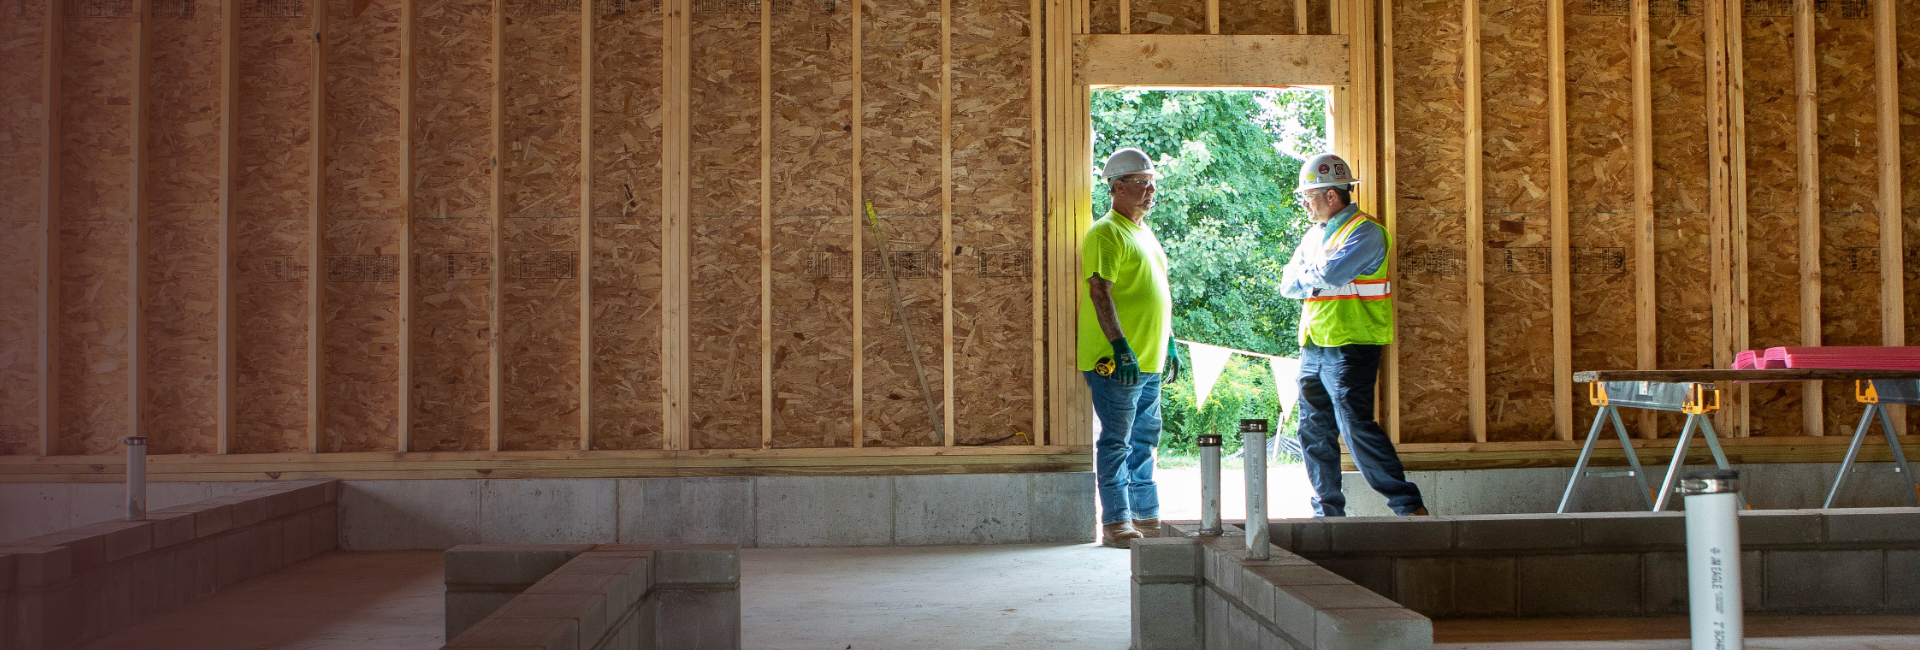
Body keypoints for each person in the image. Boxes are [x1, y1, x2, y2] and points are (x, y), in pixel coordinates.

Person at [1279, 153, 1428, 517]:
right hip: (1315, 345)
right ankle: (1327, 512)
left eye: (1309, 195)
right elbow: (1287, 284)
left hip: (1352, 344)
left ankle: (1408, 507)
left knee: (1354, 425)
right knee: (1313, 431)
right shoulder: (1314, 236)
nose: (1304, 202)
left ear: (1331, 196)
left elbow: (1329, 277)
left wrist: (1311, 275)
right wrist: (1317, 273)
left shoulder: (1367, 232)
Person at [1081, 147, 1184, 547]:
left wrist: (1170, 341)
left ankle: (1146, 514)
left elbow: (1158, 295)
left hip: (1150, 358)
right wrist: (1121, 347)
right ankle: (1116, 522)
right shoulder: (1106, 232)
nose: (1151, 191)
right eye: (1143, 184)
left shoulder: (1144, 232)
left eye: (1153, 183)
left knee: (1144, 440)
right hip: (1118, 361)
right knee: (1117, 441)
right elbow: (1099, 292)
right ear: (1118, 187)